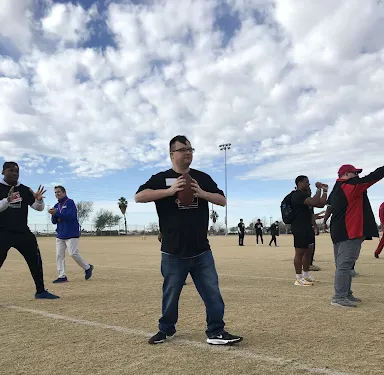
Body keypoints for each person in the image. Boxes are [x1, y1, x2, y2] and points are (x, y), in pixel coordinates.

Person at [134, 135, 242, 346]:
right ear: (172, 154)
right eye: (183, 149)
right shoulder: (161, 178)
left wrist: (202, 193)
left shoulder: (202, 177)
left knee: (212, 293)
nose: (188, 152)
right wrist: (170, 191)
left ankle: (216, 331)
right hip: (173, 251)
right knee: (170, 295)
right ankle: (166, 330)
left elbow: (222, 200)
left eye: (190, 149)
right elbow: (139, 196)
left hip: (201, 249)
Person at [0, 162, 59, 299]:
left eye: (17, 171)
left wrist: (39, 201)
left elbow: (38, 208)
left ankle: (41, 291)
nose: (15, 173)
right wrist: (7, 200)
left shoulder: (24, 189)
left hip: (22, 232)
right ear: (3, 172)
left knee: (35, 260)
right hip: (2, 232)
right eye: (11, 170)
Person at [328, 164, 384, 307]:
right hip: (349, 231)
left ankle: (346, 293)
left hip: (339, 232)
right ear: (346, 175)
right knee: (345, 265)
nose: (357, 176)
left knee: (344, 265)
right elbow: (373, 177)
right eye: (354, 173)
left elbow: (329, 206)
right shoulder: (350, 186)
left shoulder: (336, 188)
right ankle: (339, 297)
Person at [49, 186, 93, 283]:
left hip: (71, 233)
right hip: (60, 234)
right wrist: (53, 214)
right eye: (55, 192)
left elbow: (70, 216)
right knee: (59, 255)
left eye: (59, 192)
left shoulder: (70, 202)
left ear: (64, 192)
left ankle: (88, 267)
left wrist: (58, 214)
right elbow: (54, 221)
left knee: (73, 253)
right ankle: (62, 276)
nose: (57, 194)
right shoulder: (56, 205)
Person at [290, 176, 328, 286]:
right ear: (299, 183)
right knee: (300, 253)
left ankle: (306, 276)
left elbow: (320, 204)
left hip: (307, 227)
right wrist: (318, 189)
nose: (308, 185)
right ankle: (298, 278)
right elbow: (315, 201)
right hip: (299, 227)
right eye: (306, 182)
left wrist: (324, 191)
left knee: (308, 252)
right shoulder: (297, 195)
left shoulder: (306, 196)